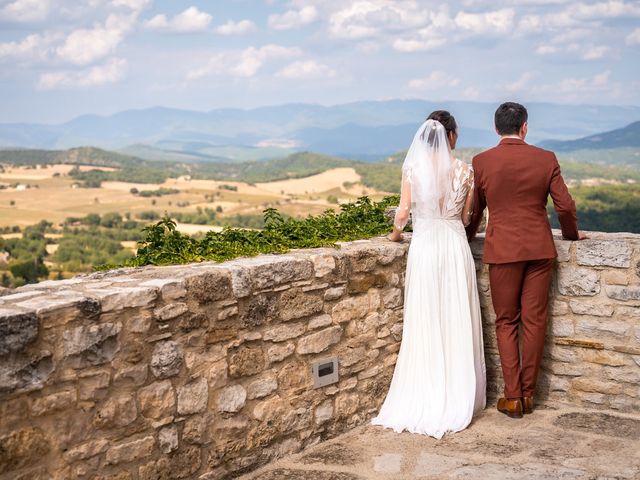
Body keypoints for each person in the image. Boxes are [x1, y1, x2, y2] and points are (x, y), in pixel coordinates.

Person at [466, 102, 586, 418]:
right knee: (535, 321)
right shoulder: (546, 159)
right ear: (525, 127)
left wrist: (467, 236)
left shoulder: (481, 161)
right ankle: (530, 395)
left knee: (507, 321)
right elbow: (564, 207)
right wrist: (571, 235)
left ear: (496, 128)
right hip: (539, 250)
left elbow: (476, 211)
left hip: (502, 250)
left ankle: (513, 397)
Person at [371, 111, 486, 439]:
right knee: (456, 315)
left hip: (424, 246)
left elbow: (404, 212)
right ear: (450, 135)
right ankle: (457, 391)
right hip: (453, 245)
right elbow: (466, 218)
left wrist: (395, 236)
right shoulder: (465, 170)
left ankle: (425, 388)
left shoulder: (412, 168)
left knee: (426, 316)